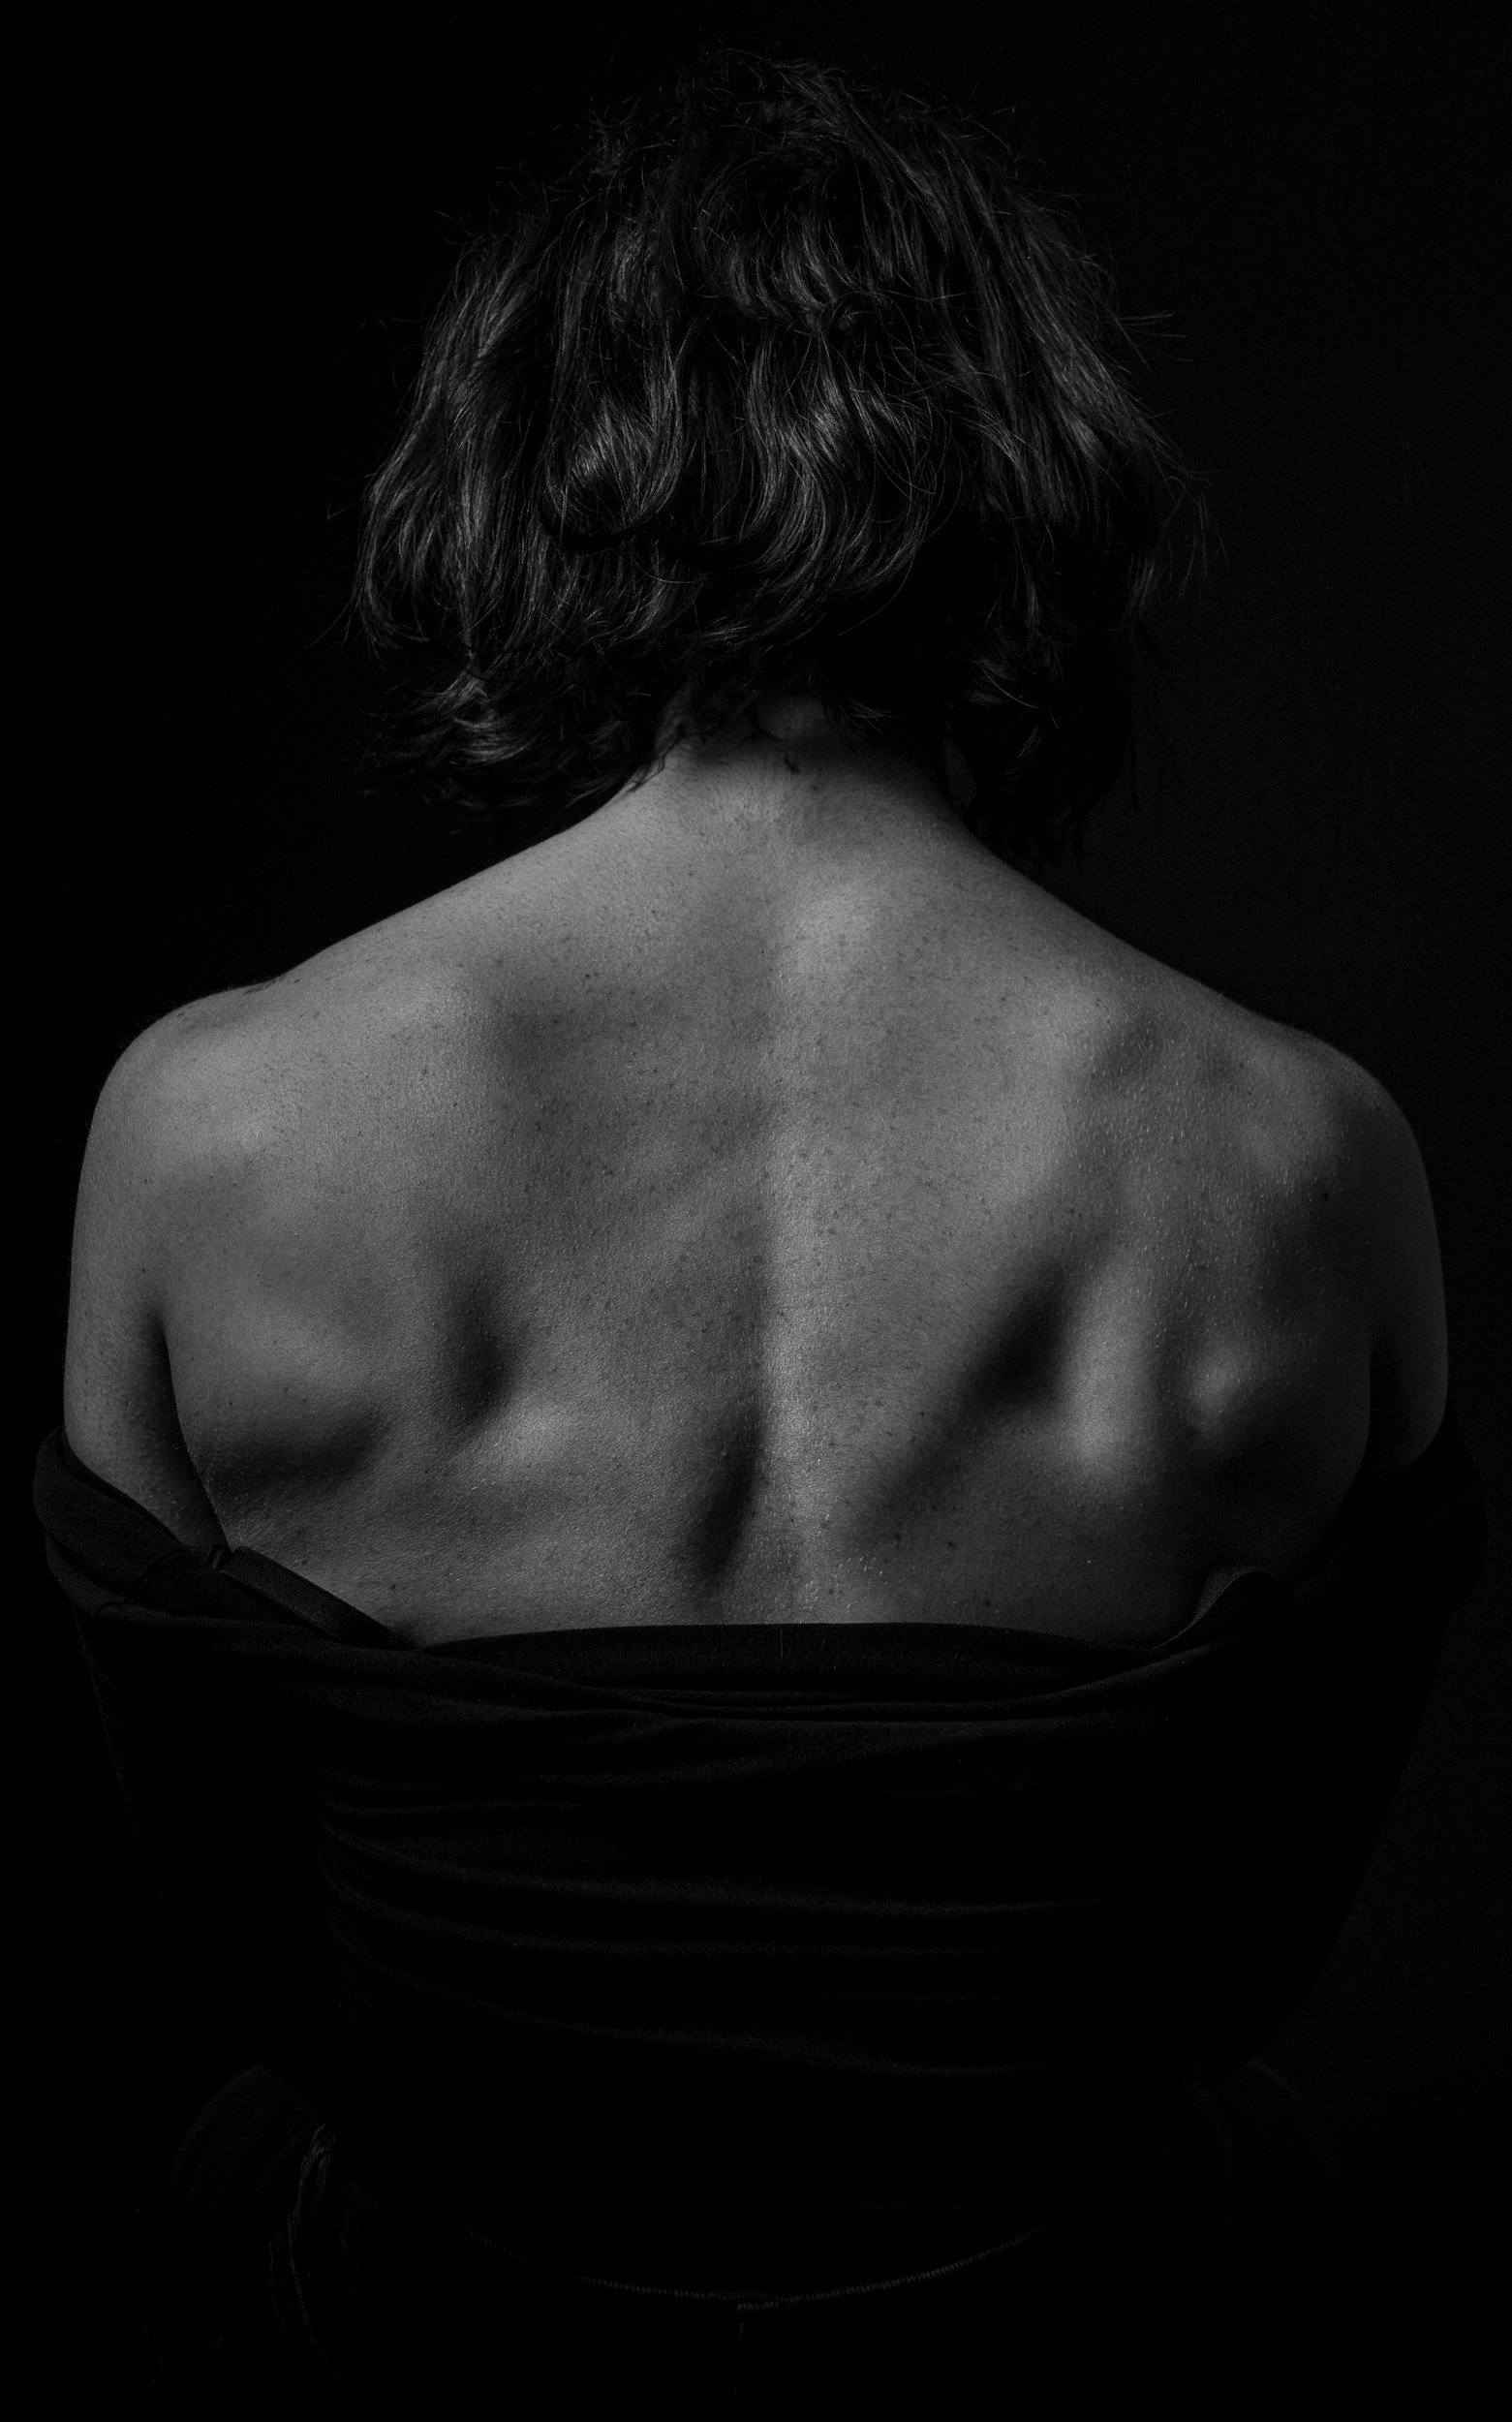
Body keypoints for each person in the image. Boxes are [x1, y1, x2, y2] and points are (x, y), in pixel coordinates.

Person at [45, 49, 1478, 2413]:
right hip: (1040, 2309)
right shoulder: (1296, 1152)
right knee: (1286, 2200)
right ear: (1037, 506)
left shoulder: (208, 1124)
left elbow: (232, 1932)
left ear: (524, 491)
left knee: (220, 2175)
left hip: (451, 2310)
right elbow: (1243, 1957)